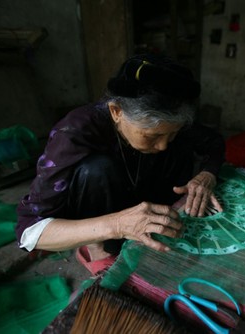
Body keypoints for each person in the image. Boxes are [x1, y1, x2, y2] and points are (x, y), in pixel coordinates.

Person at [15, 54, 226, 274]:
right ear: (116, 112)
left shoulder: (166, 125)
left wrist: (207, 176)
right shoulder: (74, 132)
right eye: (151, 136)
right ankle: (97, 250)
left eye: (170, 134)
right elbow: (29, 232)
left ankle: (153, 230)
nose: (162, 144)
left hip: (146, 196)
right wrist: (117, 225)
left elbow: (213, 142)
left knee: (181, 148)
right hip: (101, 212)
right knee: (96, 169)